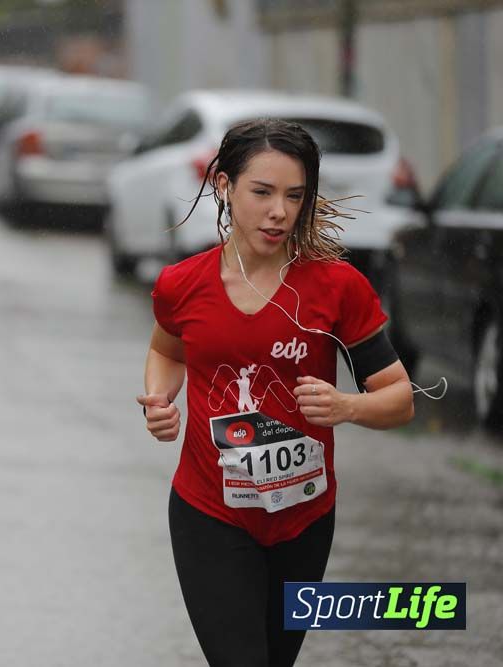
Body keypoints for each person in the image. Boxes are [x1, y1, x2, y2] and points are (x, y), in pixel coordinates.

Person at [137, 118, 415, 667]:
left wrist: (347, 406)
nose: (279, 212)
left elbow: (400, 398)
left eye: (295, 196)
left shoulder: (337, 288)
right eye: (262, 192)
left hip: (304, 519)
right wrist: (158, 399)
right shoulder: (182, 284)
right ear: (225, 187)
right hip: (209, 511)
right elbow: (168, 353)